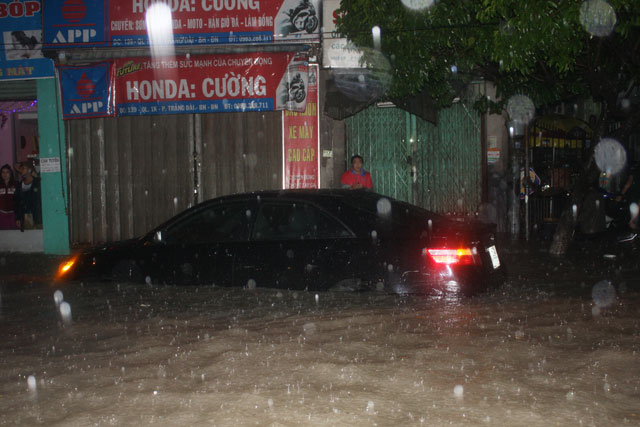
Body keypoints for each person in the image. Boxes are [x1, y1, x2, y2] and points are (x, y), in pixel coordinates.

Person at [14, 161, 42, 230]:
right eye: (21, 169)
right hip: (25, 216)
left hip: (37, 216)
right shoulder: (19, 185)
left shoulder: (37, 183)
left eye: (24, 168)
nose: (21, 170)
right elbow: (16, 202)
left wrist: (32, 172)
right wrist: (18, 217)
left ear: (30, 169)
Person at [0, 164, 19, 229]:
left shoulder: (16, 184)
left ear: (10, 173)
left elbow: (19, 200)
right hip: (1, 214)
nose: (5, 174)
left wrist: (18, 217)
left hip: (13, 214)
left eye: (7, 172)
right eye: (3, 172)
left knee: (14, 235)